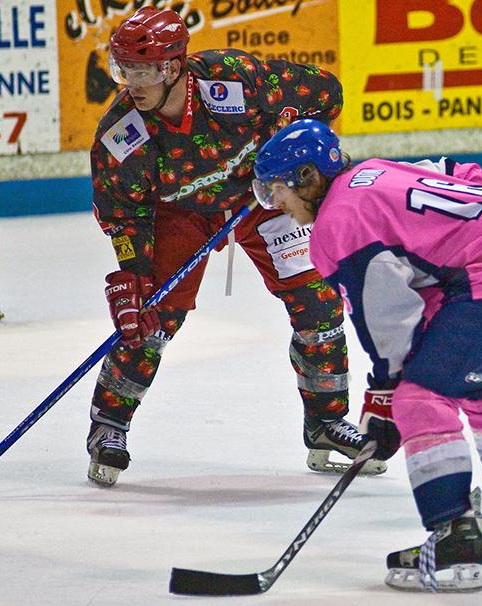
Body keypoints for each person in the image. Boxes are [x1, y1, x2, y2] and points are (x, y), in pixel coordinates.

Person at [252, 118, 482, 592]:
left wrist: (386, 391)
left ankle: (454, 540)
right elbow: (461, 170)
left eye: (277, 191)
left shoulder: (338, 223)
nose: (276, 206)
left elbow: (388, 315)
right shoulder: (375, 171)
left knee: (421, 395)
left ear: (310, 178)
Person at [86, 7, 385, 487]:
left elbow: (327, 93)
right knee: (151, 315)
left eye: (143, 70)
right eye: (125, 70)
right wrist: (133, 274)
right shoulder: (122, 134)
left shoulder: (235, 80)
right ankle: (109, 424)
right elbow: (124, 213)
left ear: (174, 66)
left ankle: (325, 422)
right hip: (179, 214)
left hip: (260, 196)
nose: (132, 82)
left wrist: (291, 133)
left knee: (317, 300)